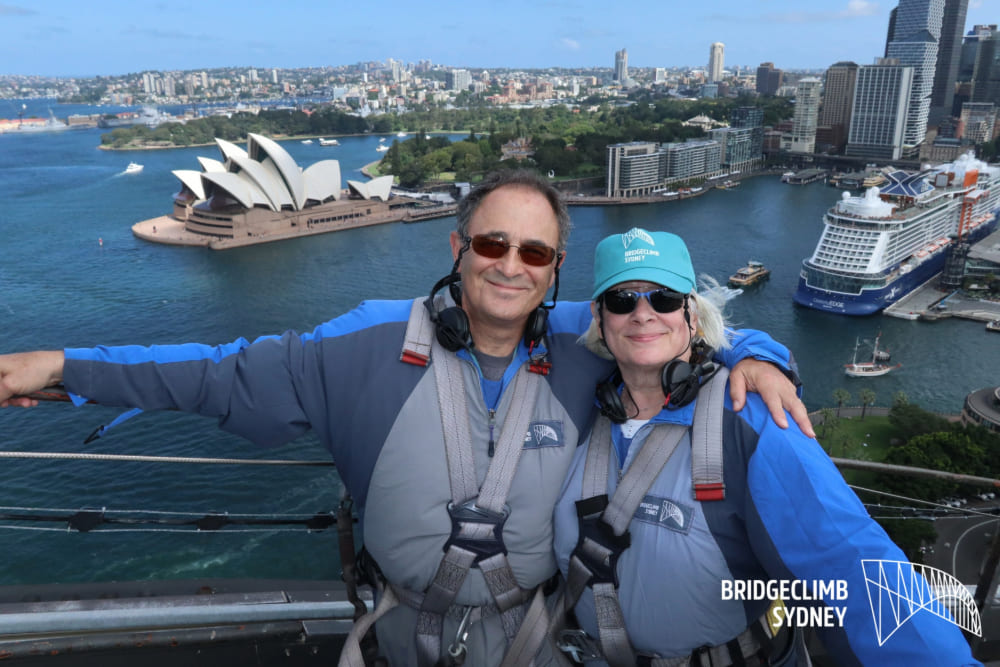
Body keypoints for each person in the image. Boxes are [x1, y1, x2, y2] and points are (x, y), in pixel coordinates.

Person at [0, 171, 810, 667]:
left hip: (540, 644)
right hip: (401, 638)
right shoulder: (364, 343)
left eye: (534, 253)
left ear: (556, 272)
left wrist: (763, 356)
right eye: (493, 243)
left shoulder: (588, 339)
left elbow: (689, 323)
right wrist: (63, 369)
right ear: (457, 246)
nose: (510, 265)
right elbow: (215, 373)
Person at [551, 227, 979, 666]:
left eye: (662, 298)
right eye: (622, 301)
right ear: (598, 317)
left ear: (691, 315)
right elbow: (510, 304)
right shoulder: (578, 398)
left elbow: (850, 558)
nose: (642, 314)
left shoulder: (750, 419)